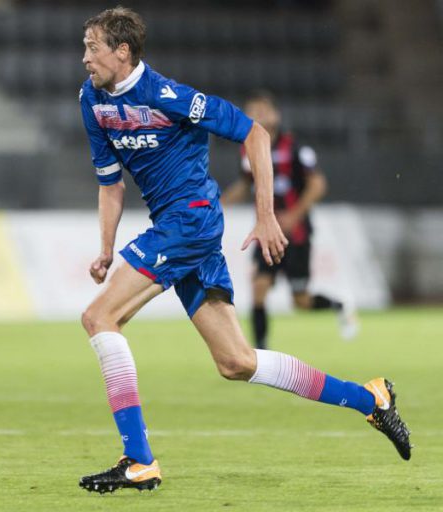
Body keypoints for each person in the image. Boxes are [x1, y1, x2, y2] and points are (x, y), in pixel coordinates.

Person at [77, 7, 410, 494]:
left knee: (99, 317)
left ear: (122, 52)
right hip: (176, 227)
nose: (84, 57)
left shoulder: (168, 96)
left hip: (189, 222)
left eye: (92, 47)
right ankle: (371, 400)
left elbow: (256, 134)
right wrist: (105, 249)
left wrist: (266, 213)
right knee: (236, 362)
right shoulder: (92, 101)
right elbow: (110, 185)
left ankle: (138, 460)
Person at [222, 91, 358, 349]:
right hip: (266, 233)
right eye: (252, 110)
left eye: (263, 109)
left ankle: (339, 305)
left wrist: (294, 215)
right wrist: (218, 205)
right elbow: (245, 184)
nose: (257, 114)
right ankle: (260, 352)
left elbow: (318, 184)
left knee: (301, 301)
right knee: (259, 287)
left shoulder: (295, 148)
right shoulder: (247, 150)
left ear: (276, 115)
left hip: (295, 234)